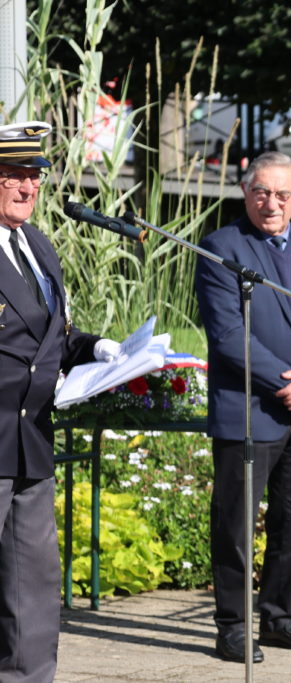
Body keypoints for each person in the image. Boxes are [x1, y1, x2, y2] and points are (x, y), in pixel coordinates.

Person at [195, 151, 291, 663]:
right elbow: (228, 335)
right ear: (245, 193)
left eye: (283, 194)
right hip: (250, 409)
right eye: (261, 192)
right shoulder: (221, 248)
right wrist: (286, 382)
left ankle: (279, 617)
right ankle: (232, 626)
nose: (271, 203)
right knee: (235, 526)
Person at [0, 121, 120, 681]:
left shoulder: (39, 245)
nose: (27, 188)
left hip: (31, 443)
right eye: (12, 176)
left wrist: (95, 347)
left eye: (34, 177)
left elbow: (53, 335)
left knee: (34, 587)